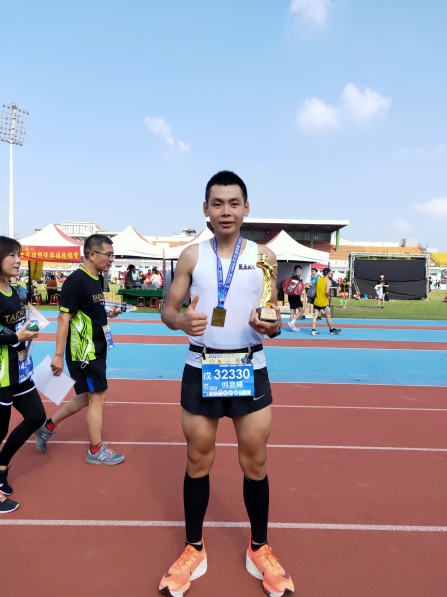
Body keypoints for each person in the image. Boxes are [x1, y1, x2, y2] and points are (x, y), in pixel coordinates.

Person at [159, 171, 293, 597]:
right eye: (217, 203)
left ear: (246, 208)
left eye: (234, 203)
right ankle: (194, 548)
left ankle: (259, 547)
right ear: (206, 209)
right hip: (202, 367)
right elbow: (167, 310)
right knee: (197, 460)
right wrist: (181, 321)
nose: (226, 211)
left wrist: (271, 326)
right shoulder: (190, 256)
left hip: (249, 367)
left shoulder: (265, 256)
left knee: (255, 461)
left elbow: (274, 317)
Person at [34, 234, 124, 465]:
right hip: (85, 352)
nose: (112, 259)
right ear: (92, 254)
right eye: (108, 255)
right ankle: (95, 450)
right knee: (98, 397)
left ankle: (47, 427)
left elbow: (89, 310)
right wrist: (58, 355)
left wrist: (108, 313)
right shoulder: (76, 281)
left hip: (97, 348)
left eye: (113, 255)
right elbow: (64, 318)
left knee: (87, 397)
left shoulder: (97, 278)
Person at [0, 236, 44, 513]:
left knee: (36, 417)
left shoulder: (15, 291)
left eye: (19, 255)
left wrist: (28, 331)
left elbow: (14, 326)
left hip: (20, 370)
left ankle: (1, 467)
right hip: (1, 376)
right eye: (12, 256)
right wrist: (16, 336)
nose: (18, 261)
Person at [311, 268, 341, 336]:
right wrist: (328, 296)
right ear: (328, 273)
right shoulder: (328, 281)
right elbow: (327, 291)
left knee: (315, 316)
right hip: (323, 301)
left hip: (317, 300)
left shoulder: (318, 279)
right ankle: (331, 329)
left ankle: (313, 330)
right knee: (328, 315)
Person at [287, 264, 304, 332]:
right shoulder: (297, 279)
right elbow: (299, 288)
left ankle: (292, 327)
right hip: (295, 297)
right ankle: (292, 322)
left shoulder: (291, 277)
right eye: (301, 271)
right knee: (301, 311)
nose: (301, 273)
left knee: (292, 311)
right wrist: (302, 282)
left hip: (290, 296)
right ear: (298, 271)